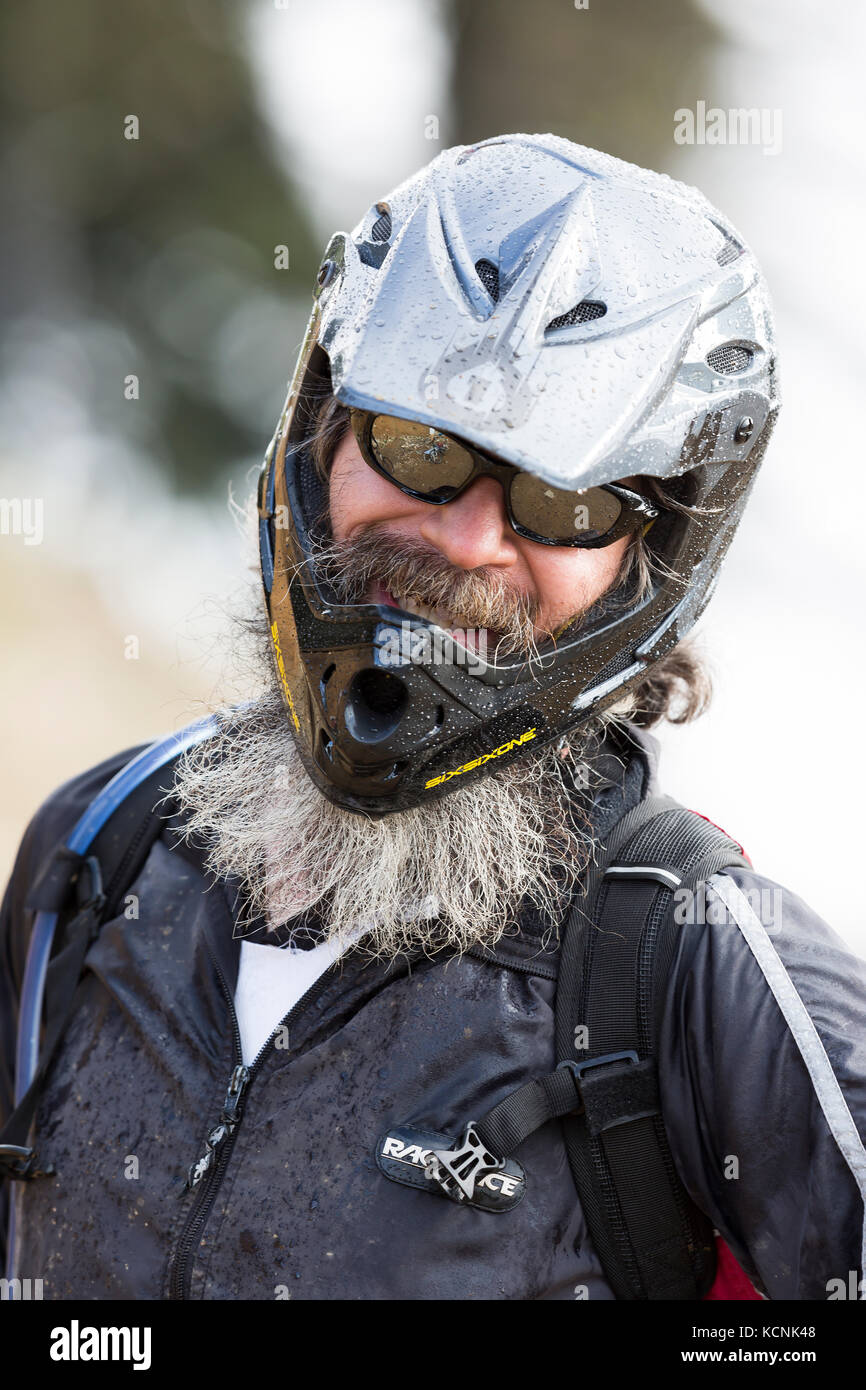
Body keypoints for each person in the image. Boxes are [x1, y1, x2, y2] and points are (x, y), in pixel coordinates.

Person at [2, 132, 865, 1302]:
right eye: (421, 448)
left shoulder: (702, 973)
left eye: (564, 502)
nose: (465, 539)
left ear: (651, 560)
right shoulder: (101, 844)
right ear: (322, 438)